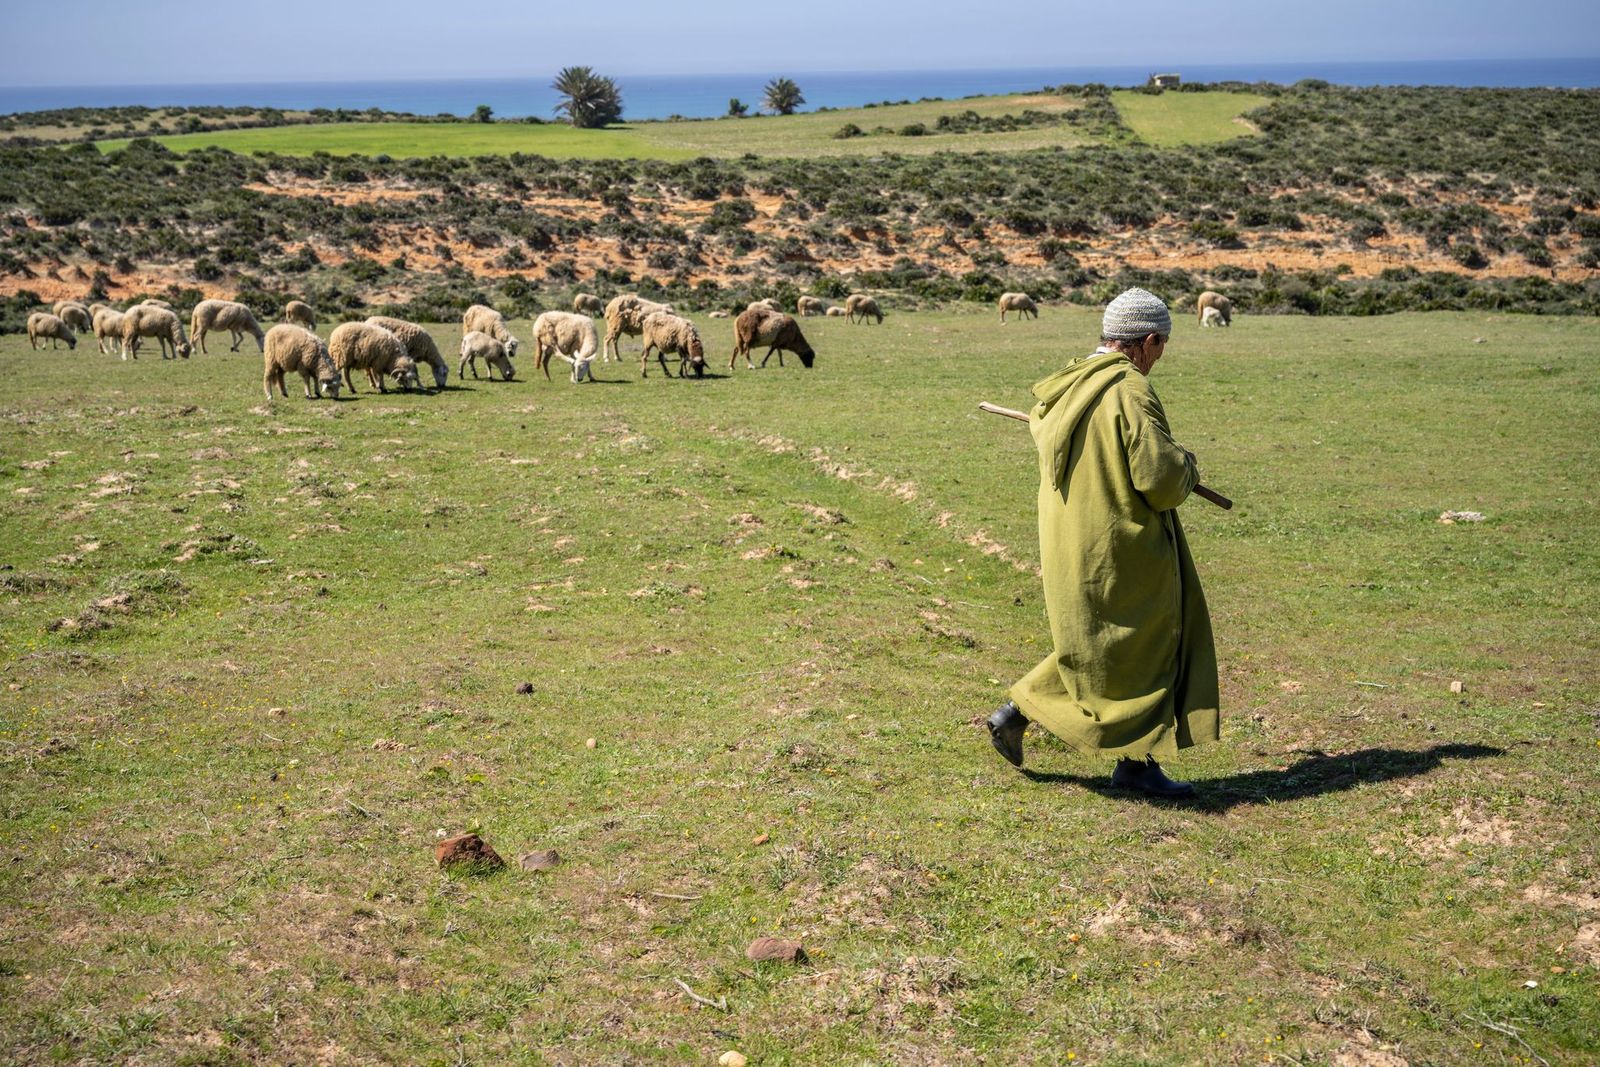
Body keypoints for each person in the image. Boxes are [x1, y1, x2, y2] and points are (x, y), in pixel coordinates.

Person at [986, 287, 1219, 798]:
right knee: (1147, 643)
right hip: (1118, 539)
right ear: (1148, 340)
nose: (1160, 358)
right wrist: (1188, 466)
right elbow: (1158, 477)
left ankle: (1021, 717)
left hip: (1071, 534)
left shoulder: (1069, 382)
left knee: (1102, 643)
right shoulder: (1128, 389)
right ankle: (1135, 767)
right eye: (1162, 347)